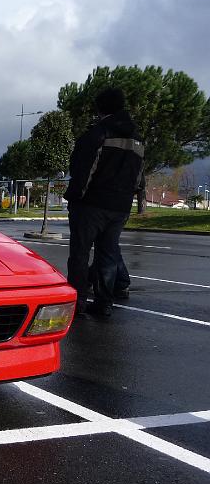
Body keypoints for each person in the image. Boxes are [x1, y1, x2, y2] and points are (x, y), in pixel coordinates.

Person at [64, 87, 144, 316]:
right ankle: (104, 303)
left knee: (80, 254)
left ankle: (77, 302)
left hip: (91, 204)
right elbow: (139, 178)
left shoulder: (99, 133)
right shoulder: (137, 140)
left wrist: (76, 196)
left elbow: (82, 169)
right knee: (107, 255)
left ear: (100, 108)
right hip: (120, 206)